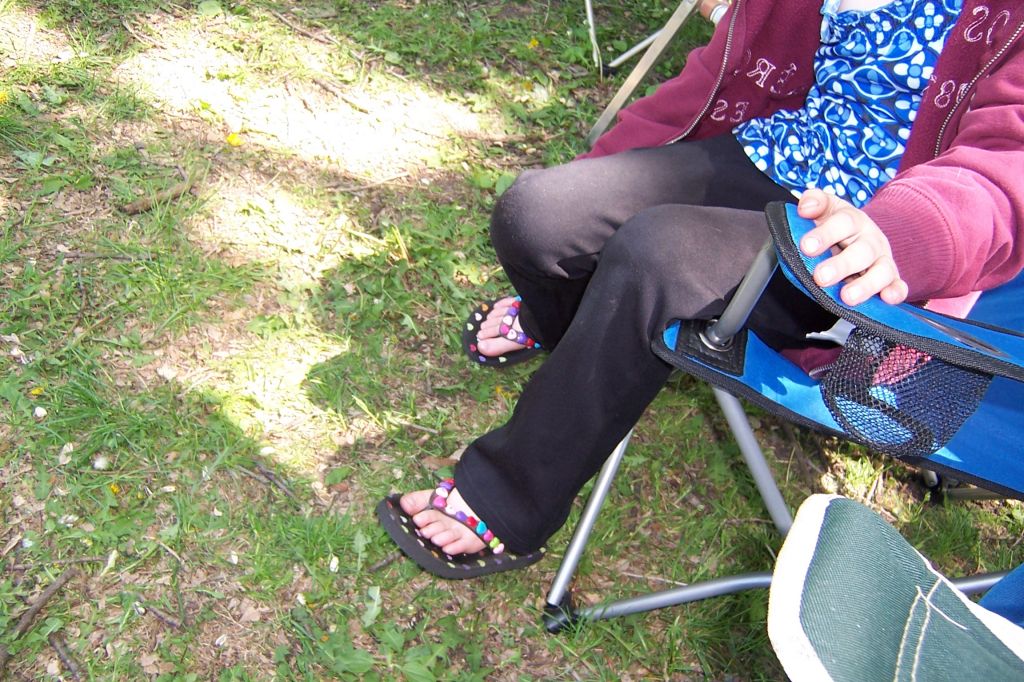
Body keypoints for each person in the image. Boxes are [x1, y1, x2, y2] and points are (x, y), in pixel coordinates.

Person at [376, 0, 1024, 578]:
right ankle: (570, 331)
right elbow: (727, 70)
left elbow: (1005, 166)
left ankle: (509, 500)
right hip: (774, 150)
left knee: (657, 256)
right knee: (537, 215)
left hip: (854, 244)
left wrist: (905, 235)